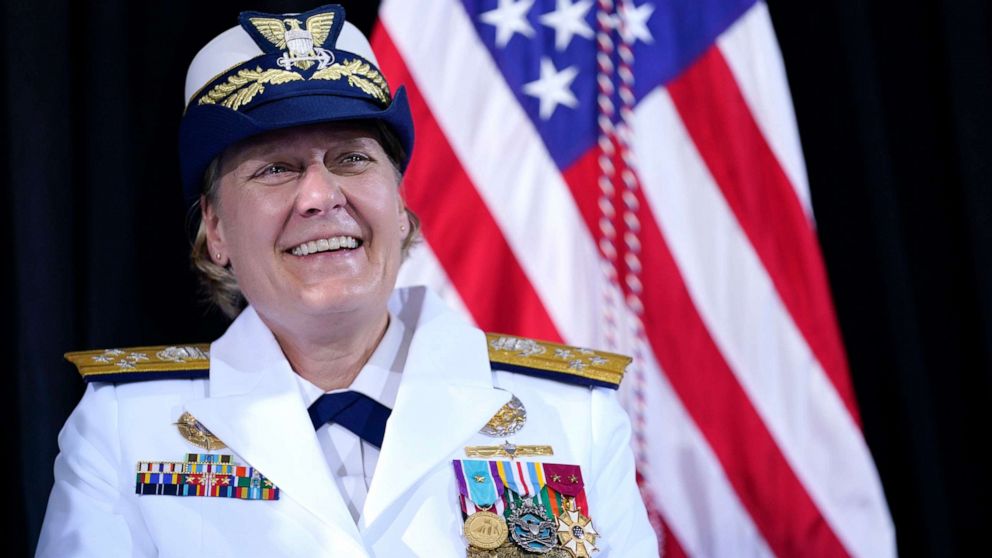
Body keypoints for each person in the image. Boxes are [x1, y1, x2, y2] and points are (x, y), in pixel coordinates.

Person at [36, 5, 658, 557]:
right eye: (275, 168)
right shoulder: (124, 426)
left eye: (351, 159)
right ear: (216, 231)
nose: (319, 195)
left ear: (398, 200)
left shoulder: (574, 415)